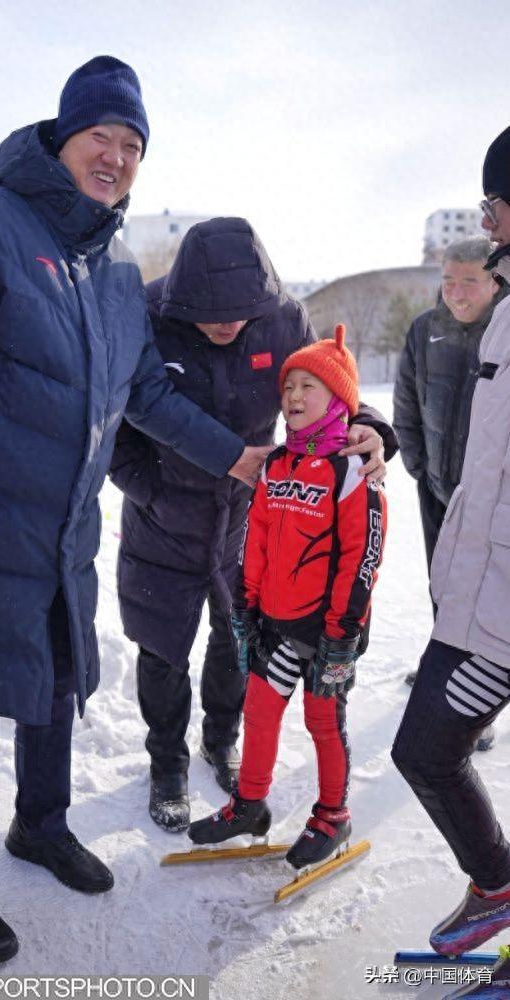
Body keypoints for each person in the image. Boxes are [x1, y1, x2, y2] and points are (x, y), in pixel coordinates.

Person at [0, 56, 270, 965]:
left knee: (55, 682)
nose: (117, 158)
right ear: (62, 137)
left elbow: (149, 397)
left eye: (133, 146)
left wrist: (237, 456)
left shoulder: (116, 270)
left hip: (63, 533)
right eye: (102, 136)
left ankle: (41, 825)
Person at [110, 217, 395, 832]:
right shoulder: (148, 313)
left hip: (251, 516)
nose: (226, 325)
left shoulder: (283, 317)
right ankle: (166, 763)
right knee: (161, 645)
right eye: (211, 316)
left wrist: (370, 425)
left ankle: (221, 740)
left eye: (239, 315)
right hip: (164, 514)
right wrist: (146, 486)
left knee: (237, 637)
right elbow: (121, 409)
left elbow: (329, 385)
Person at [188, 326, 387, 870]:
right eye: (288, 387)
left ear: (338, 397)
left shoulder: (354, 468)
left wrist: (343, 632)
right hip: (274, 621)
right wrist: (245, 604)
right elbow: (256, 540)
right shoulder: (277, 464)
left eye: (308, 387)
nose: (294, 397)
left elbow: (363, 557)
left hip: (328, 630)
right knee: (259, 710)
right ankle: (250, 804)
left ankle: (333, 816)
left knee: (323, 722)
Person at [391, 126, 510, 994]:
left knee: (427, 748)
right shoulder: (503, 309)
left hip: (500, 605)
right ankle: (498, 886)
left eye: (493, 201)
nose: (487, 219)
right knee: (425, 748)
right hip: (481, 589)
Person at [394, 236, 504, 743]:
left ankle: (476, 708)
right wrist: (418, 465)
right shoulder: (425, 329)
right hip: (438, 488)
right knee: (443, 586)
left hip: (492, 498)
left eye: (469, 282)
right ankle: (443, 674)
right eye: (448, 281)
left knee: (487, 598)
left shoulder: (505, 330)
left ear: (495, 281)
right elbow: (405, 402)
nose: (456, 293)